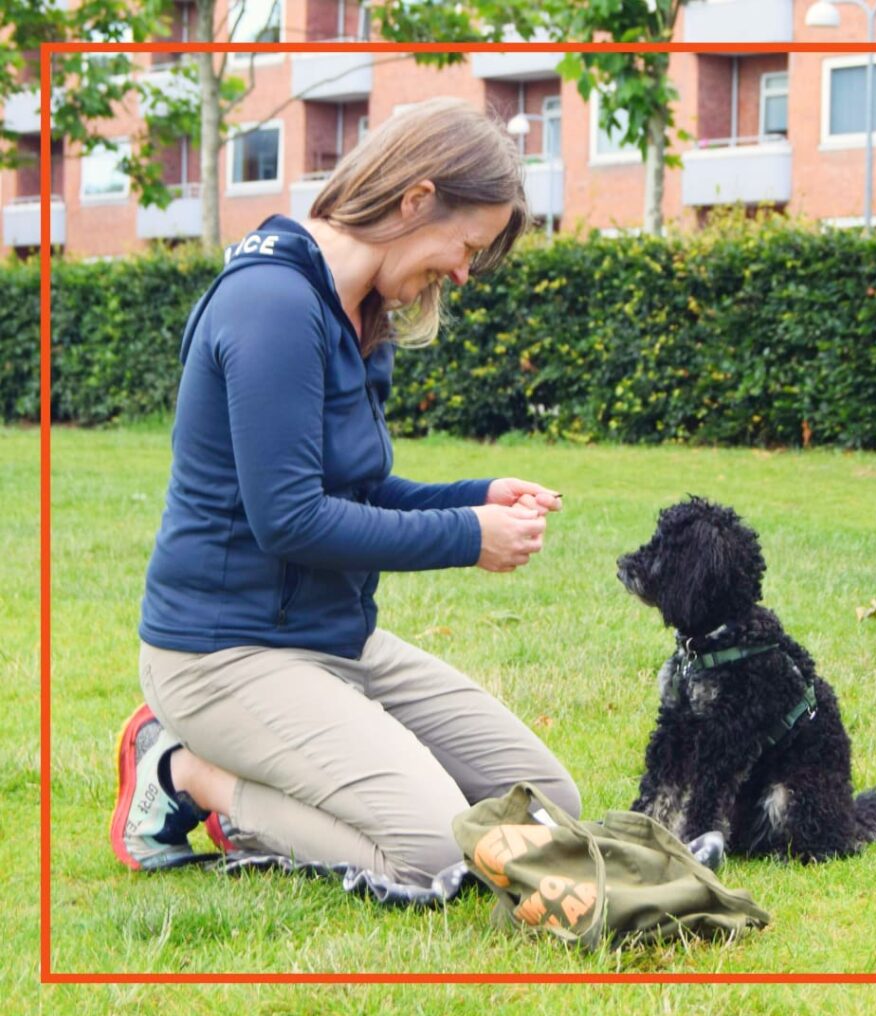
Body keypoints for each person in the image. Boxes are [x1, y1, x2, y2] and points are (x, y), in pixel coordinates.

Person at [110, 98, 581, 885]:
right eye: (466, 245)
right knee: (432, 853)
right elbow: (290, 521)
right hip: (224, 654)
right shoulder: (271, 305)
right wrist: (469, 537)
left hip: (336, 641)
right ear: (416, 200)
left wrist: (478, 496)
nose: (464, 273)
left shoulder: (360, 315)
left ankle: (286, 767)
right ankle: (187, 773)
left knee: (542, 809)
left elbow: (359, 490)